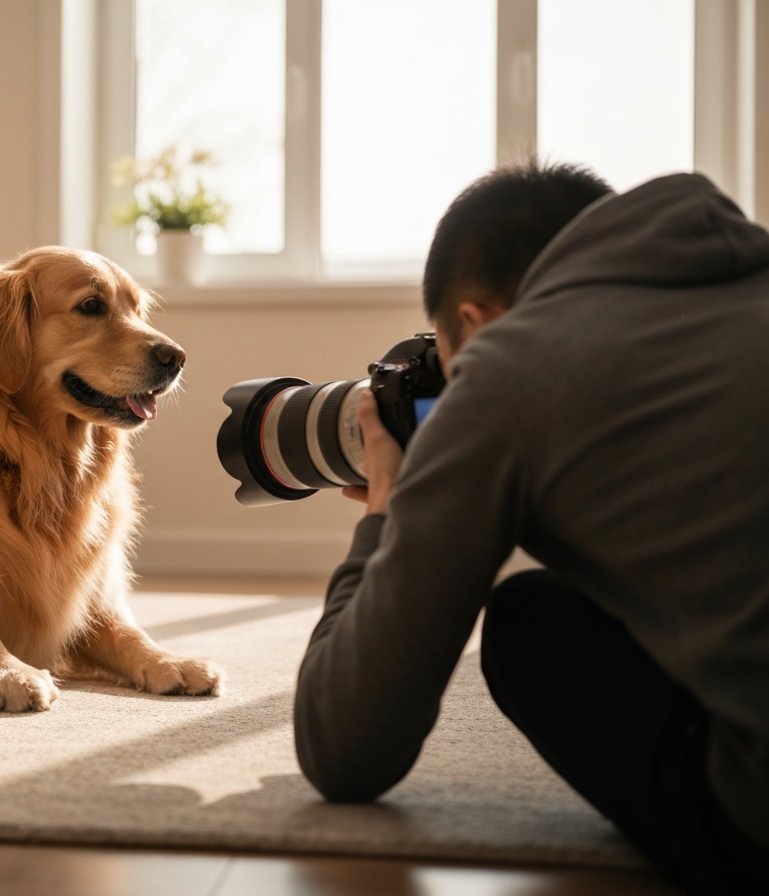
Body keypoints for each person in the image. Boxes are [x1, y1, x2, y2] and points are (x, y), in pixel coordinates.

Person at [293, 161, 769, 894]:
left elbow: (343, 748)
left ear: (477, 326)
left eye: (447, 364)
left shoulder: (511, 365)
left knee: (531, 619)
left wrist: (387, 508)